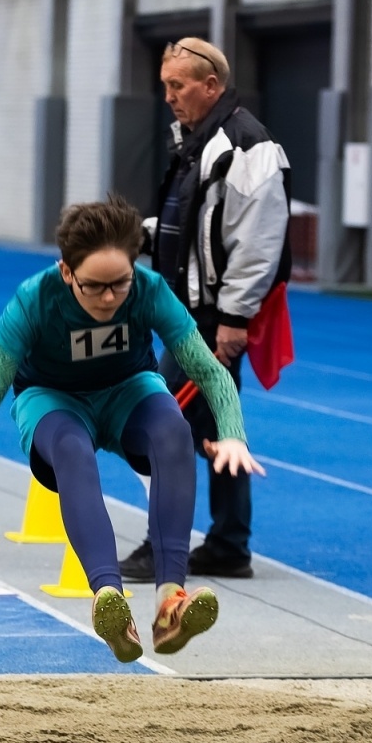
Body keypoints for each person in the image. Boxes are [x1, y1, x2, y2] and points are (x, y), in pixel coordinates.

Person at [0, 196, 263, 662]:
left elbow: (209, 369)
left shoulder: (149, 289)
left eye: (119, 285)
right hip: (53, 398)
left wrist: (233, 433)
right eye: (93, 287)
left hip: (127, 391)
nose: (107, 298)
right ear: (66, 273)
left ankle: (170, 604)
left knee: (174, 432)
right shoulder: (33, 300)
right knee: (72, 449)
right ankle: (109, 600)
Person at [119, 37, 290, 582]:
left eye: (178, 86)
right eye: (165, 86)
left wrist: (234, 322)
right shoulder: (198, 142)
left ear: (210, 85)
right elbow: (190, 230)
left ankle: (163, 545)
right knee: (219, 429)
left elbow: (258, 244)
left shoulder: (246, 147)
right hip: (188, 315)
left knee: (158, 425)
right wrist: (128, 239)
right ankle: (228, 544)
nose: (168, 96)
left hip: (209, 322)